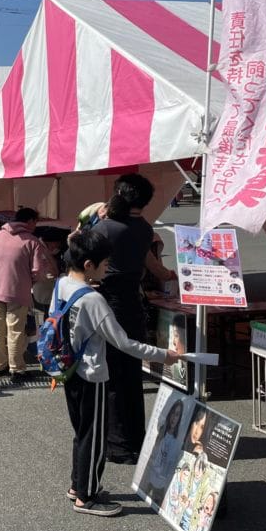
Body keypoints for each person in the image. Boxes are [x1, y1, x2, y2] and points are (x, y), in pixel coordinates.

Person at [55, 229, 182, 517]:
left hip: (68, 369)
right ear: (88, 265)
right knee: (95, 438)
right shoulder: (93, 301)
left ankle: (78, 486)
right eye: (103, 265)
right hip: (92, 375)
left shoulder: (62, 284)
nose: (106, 270)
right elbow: (124, 344)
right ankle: (86, 497)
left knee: (82, 432)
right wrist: (165, 355)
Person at [90, 173, 159, 464]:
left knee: (113, 377)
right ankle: (135, 438)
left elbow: (77, 254)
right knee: (132, 376)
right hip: (133, 306)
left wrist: (90, 222)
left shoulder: (106, 227)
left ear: (119, 193)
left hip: (109, 306)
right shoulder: (144, 228)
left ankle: (117, 444)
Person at [0, 207, 50, 382]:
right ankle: (17, 368)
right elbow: (38, 271)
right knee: (15, 330)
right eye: (35, 221)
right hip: (17, 291)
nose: (36, 225)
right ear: (29, 221)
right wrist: (29, 281)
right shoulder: (32, 242)